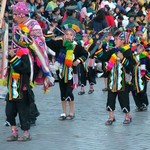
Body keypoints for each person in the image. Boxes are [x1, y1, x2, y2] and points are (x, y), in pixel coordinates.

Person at [6, 1, 54, 130]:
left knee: (26, 88)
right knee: (18, 87)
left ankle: (30, 114)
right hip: (15, 60)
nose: (14, 17)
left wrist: (24, 38)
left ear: (21, 15)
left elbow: (38, 43)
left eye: (15, 14)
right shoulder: (15, 25)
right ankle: (18, 114)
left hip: (30, 62)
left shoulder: (34, 24)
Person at [46, 24, 88, 120]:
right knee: (63, 92)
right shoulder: (60, 44)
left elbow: (85, 54)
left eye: (70, 34)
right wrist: (50, 31)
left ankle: (71, 112)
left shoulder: (76, 47)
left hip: (72, 74)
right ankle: (64, 112)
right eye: (67, 34)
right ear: (64, 35)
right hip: (61, 72)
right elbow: (48, 42)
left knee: (69, 92)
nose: (68, 36)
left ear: (73, 36)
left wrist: (78, 61)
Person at [95, 30, 133, 125]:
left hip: (123, 81)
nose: (115, 41)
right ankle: (111, 117)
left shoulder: (128, 52)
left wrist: (123, 59)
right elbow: (103, 57)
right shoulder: (113, 51)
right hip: (112, 80)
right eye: (115, 39)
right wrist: (99, 48)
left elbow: (130, 66)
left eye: (117, 39)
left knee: (123, 98)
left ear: (123, 41)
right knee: (110, 98)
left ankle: (127, 116)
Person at [6, 47, 32, 142]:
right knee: (9, 112)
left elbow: (24, 69)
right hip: (11, 89)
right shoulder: (9, 53)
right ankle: (14, 132)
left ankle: (26, 133)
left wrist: (13, 56)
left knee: (23, 112)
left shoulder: (24, 54)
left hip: (21, 88)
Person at [78, 30, 98, 95]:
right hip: (82, 60)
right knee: (82, 74)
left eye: (85, 37)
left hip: (90, 60)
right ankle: (82, 89)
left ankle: (91, 88)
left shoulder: (91, 44)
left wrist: (94, 58)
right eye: (83, 37)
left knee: (90, 73)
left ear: (88, 38)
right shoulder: (80, 44)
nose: (83, 38)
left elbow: (94, 52)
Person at [131, 44, 150, 112]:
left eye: (139, 48)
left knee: (142, 91)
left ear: (142, 49)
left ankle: (144, 104)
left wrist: (147, 76)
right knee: (134, 90)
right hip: (134, 77)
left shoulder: (146, 57)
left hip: (142, 78)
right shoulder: (134, 57)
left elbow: (149, 67)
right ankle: (138, 105)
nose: (137, 50)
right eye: (137, 48)